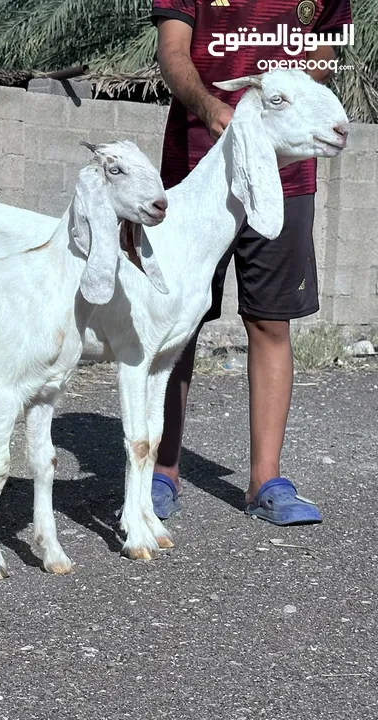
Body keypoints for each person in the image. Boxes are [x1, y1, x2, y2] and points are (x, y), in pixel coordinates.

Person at [150, 0, 352, 525]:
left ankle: (266, 480)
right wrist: (213, 107)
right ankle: (160, 471)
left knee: (270, 319)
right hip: (199, 172)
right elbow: (172, 51)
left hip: (286, 180)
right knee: (180, 323)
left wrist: (285, 106)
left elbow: (321, 57)